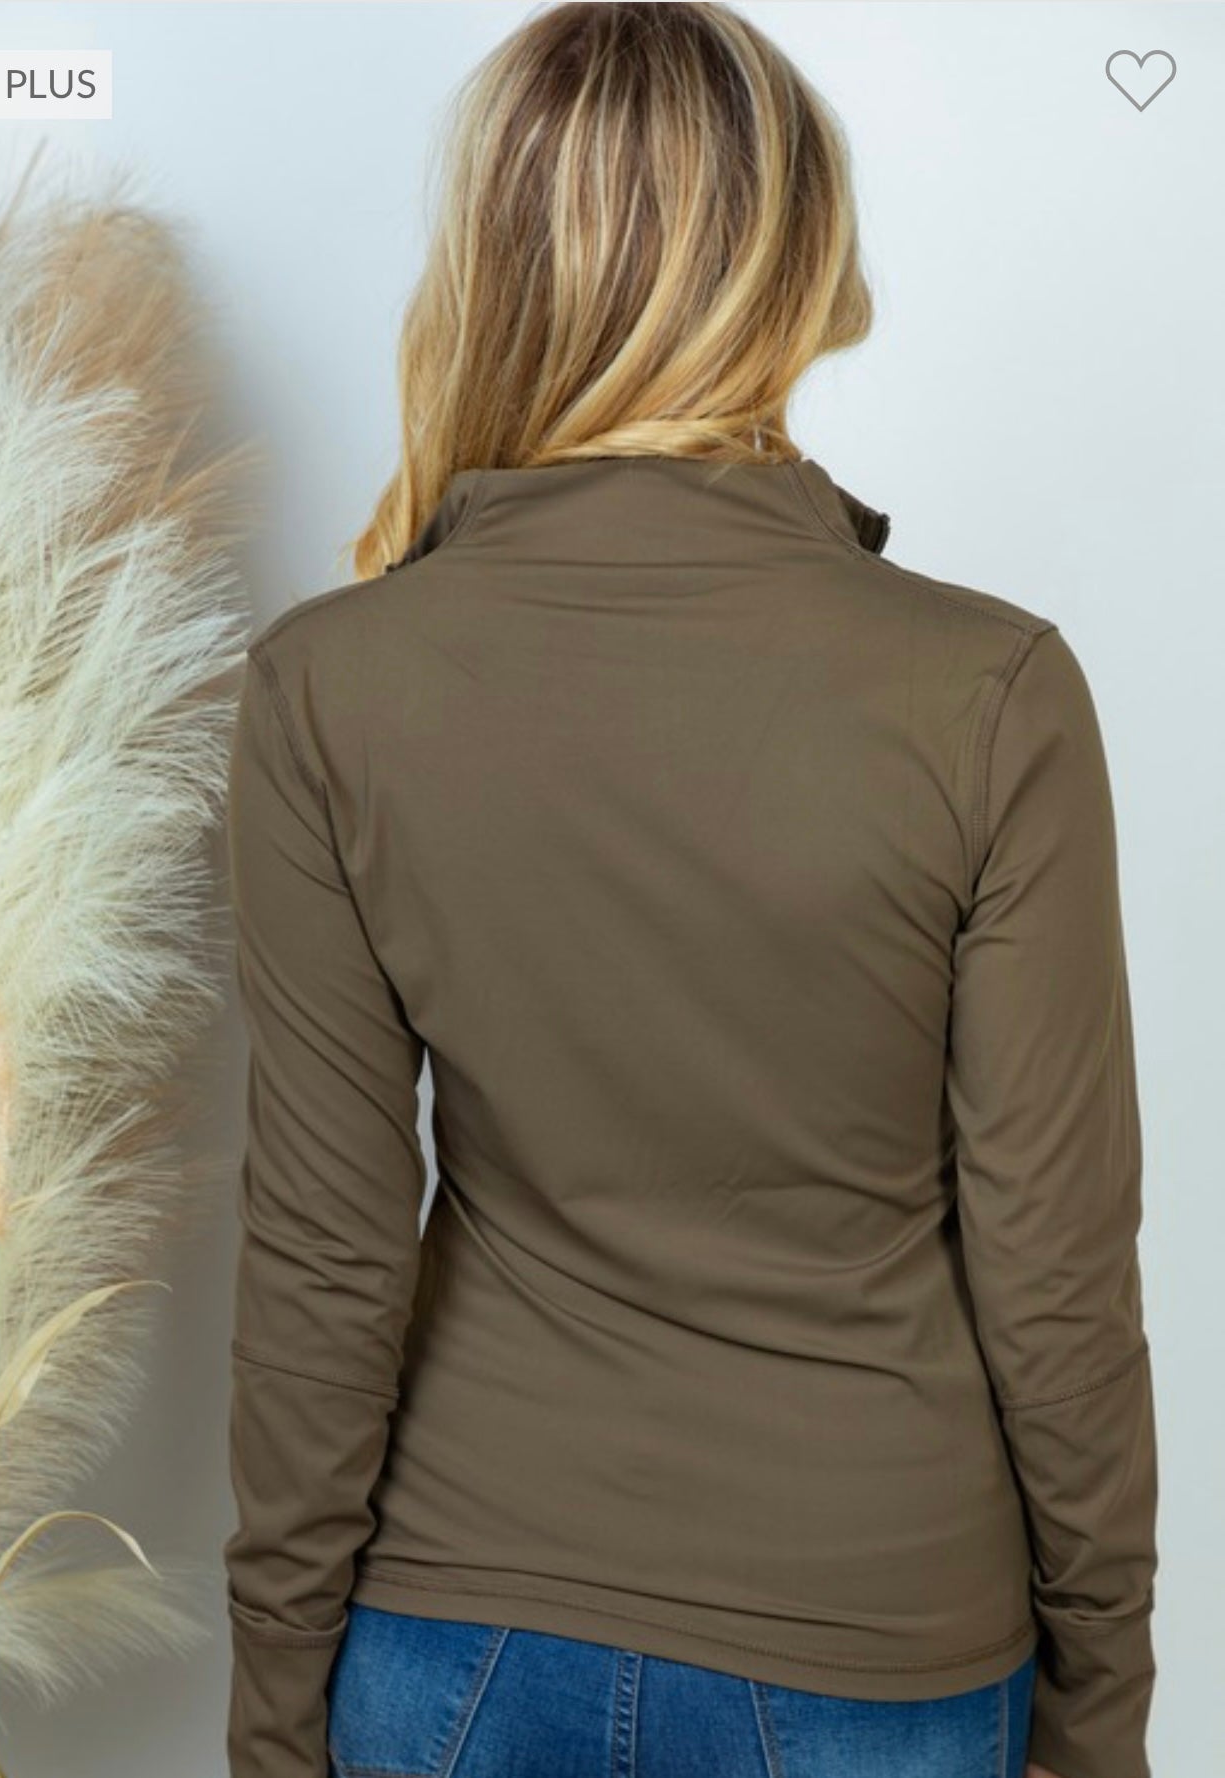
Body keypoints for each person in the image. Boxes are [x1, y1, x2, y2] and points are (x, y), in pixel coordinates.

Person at [221, 5, 1158, 1777]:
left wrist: (275, 1715)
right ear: (798, 267)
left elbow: (324, 1256)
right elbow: (1056, 1279)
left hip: (463, 1642)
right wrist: (1100, 1704)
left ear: (494, 264)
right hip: (876, 1640)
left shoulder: (329, 687)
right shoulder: (992, 692)